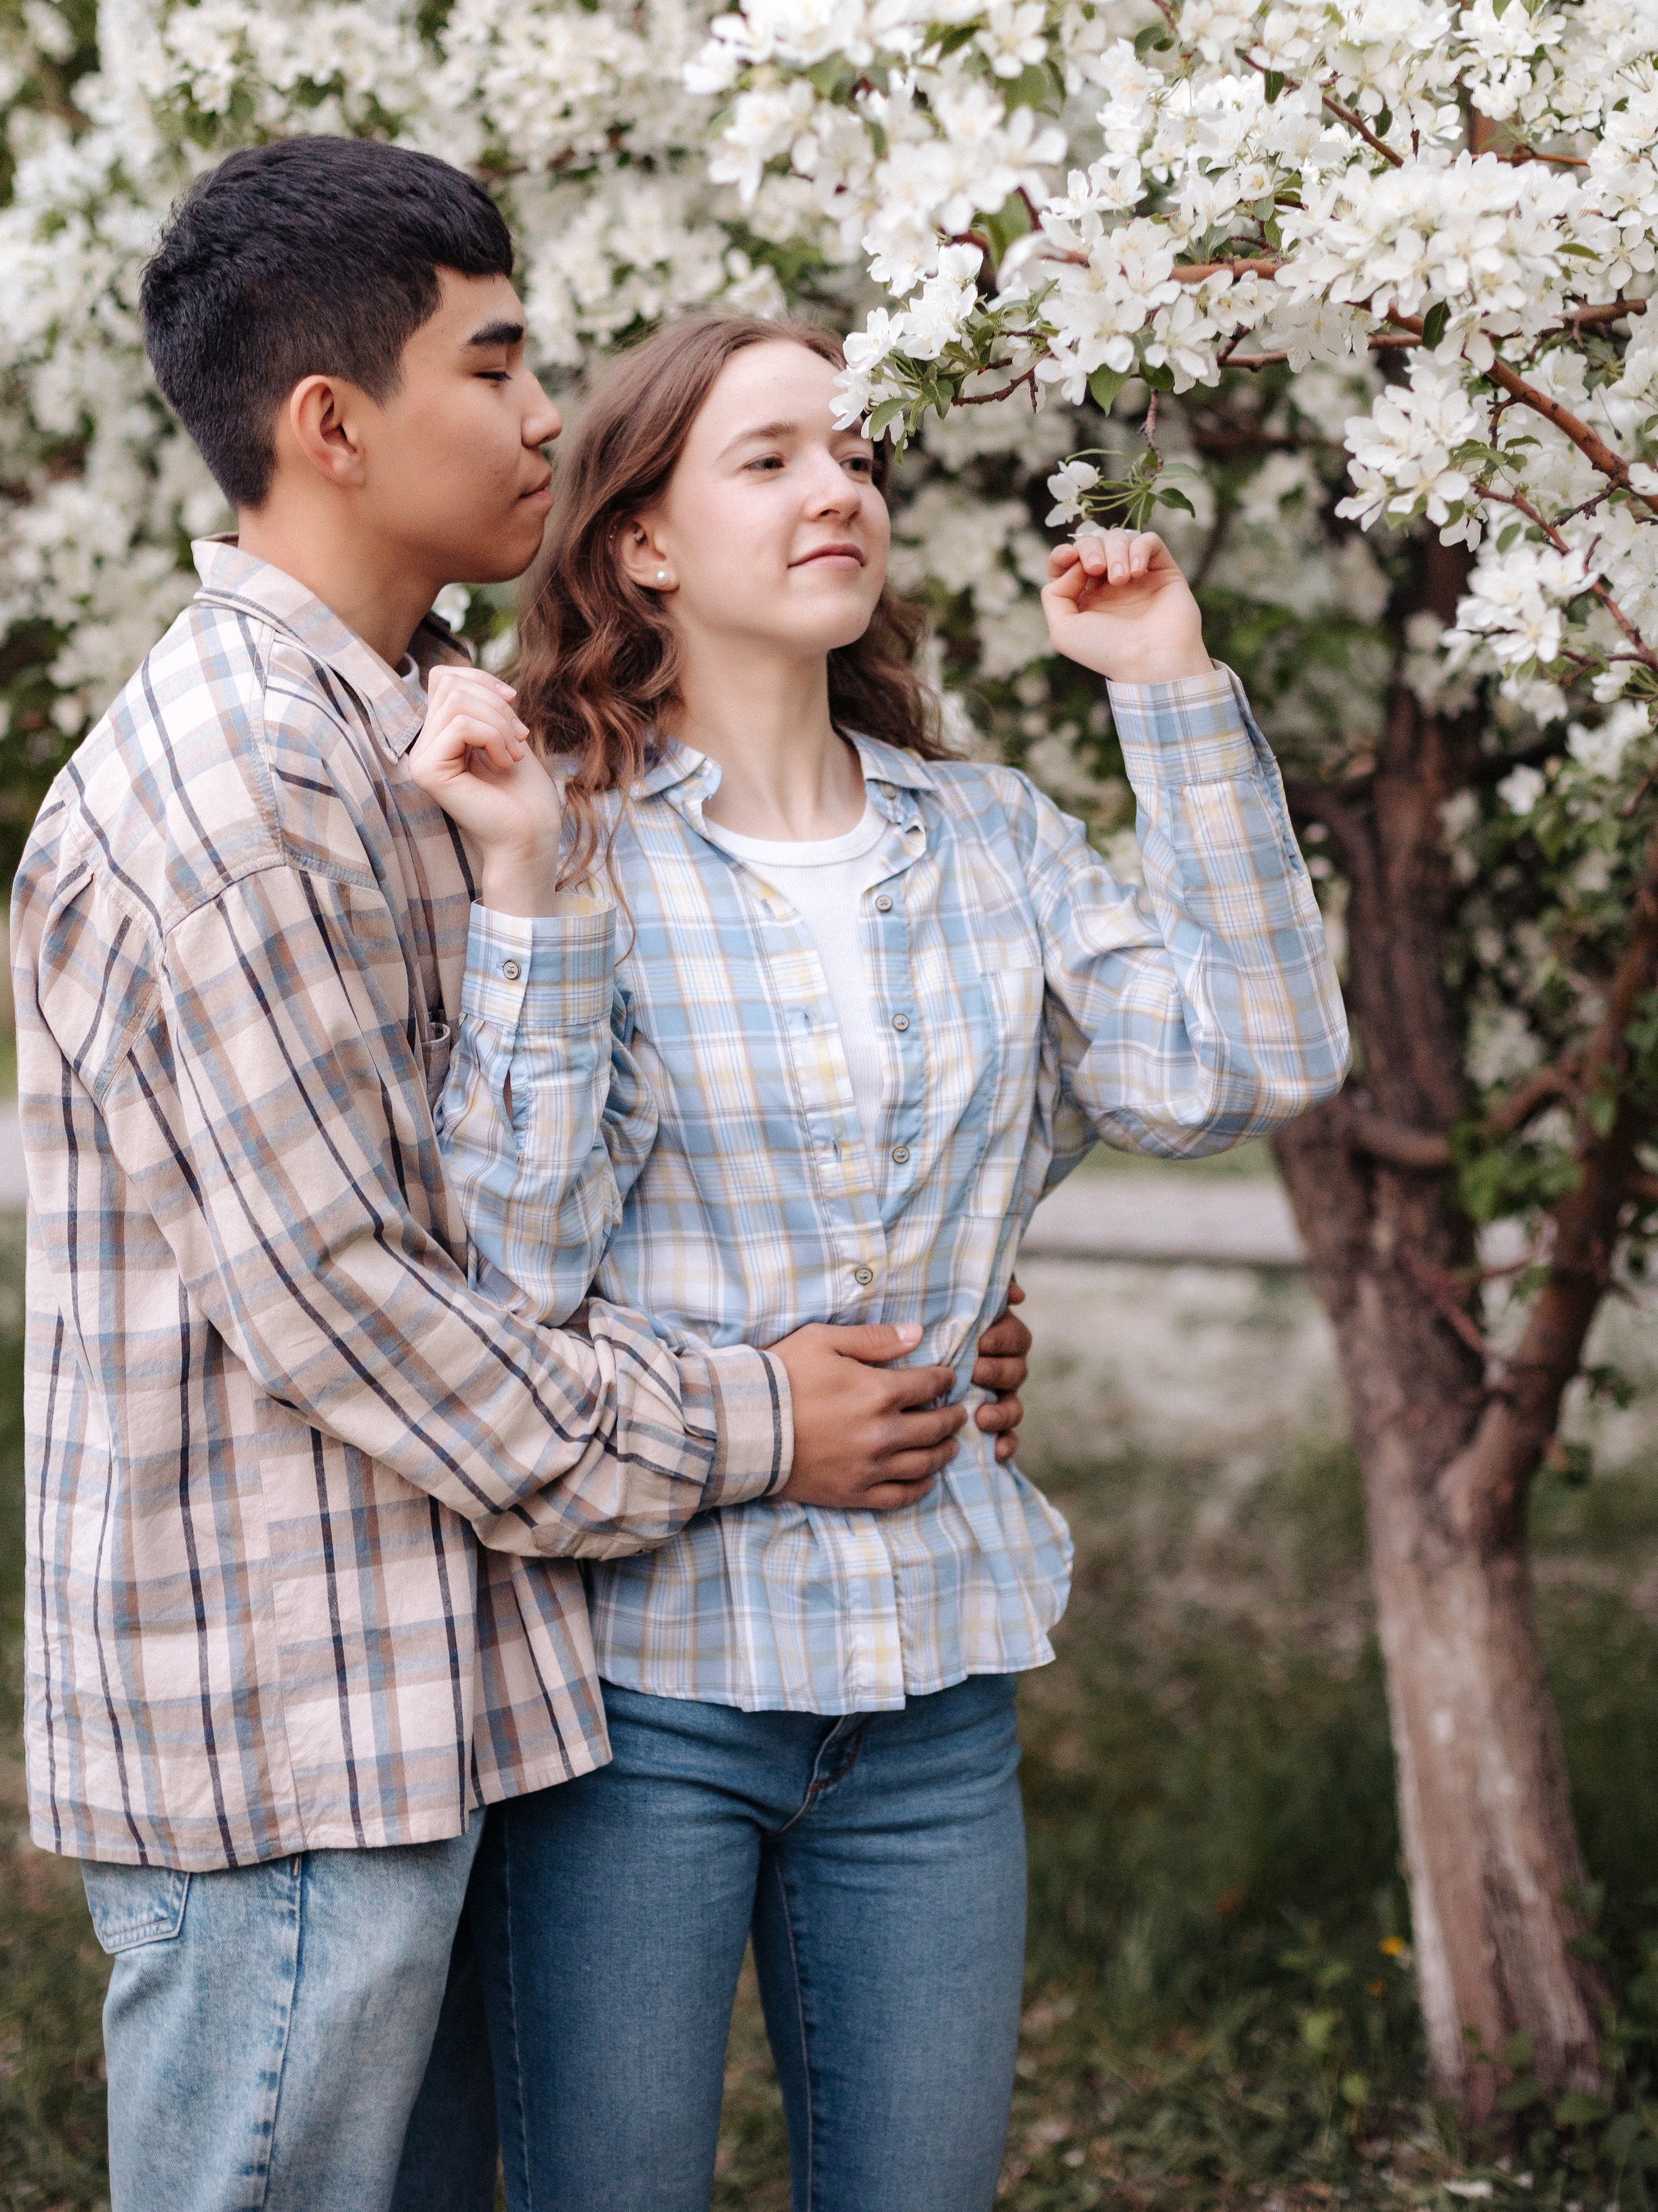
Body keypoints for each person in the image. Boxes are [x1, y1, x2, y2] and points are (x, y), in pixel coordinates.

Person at [12, 142, 1033, 2212]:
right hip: (279, 1741)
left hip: (430, 1709)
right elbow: (356, 1312)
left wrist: (918, 1328)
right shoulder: (234, 797)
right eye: (495, 364)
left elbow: (533, 1191)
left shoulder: (404, 732)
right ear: (333, 426)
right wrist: (768, 1416)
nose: (548, 416)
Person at [397, 313, 1352, 2212]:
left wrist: (1163, 681)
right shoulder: (553, 837)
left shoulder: (988, 837)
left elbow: (1260, 1061)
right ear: (642, 542)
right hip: (638, 1695)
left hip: (931, 1700)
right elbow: (509, 1264)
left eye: (858, 455)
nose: (838, 486)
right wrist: (528, 905)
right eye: (768, 459)